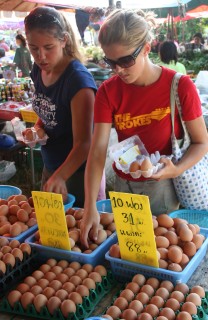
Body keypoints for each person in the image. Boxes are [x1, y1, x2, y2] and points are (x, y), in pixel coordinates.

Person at [80, 9, 208, 247]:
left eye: (126, 61)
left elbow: (202, 142)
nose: (118, 70)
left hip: (164, 186)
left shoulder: (179, 86)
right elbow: (97, 151)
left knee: (162, 253)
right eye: (110, 62)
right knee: (130, 249)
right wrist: (90, 207)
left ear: (147, 49)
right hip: (123, 187)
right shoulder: (108, 92)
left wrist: (176, 169)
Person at [24, 6, 105, 207]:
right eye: (33, 48)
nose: (40, 56)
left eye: (48, 47)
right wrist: (37, 128)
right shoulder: (38, 70)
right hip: (51, 166)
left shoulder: (77, 81)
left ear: (64, 40)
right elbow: (47, 108)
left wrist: (60, 176)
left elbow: (85, 143)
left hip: (77, 173)